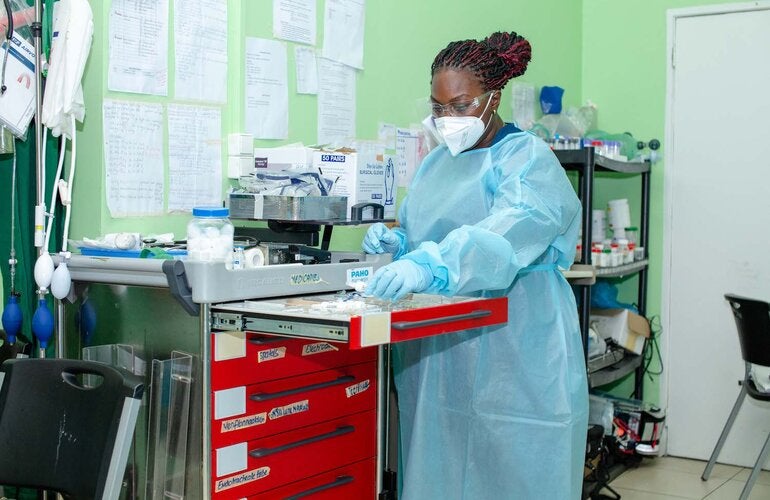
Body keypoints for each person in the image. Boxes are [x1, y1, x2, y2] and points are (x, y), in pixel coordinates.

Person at [362, 31, 588, 499]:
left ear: (493, 98)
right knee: (438, 461)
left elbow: (501, 238)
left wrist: (429, 263)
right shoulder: (435, 164)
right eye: (438, 106)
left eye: (460, 105)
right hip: (439, 351)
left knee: (514, 465)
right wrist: (400, 245)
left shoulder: (527, 160)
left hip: (517, 341)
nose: (447, 118)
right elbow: (429, 232)